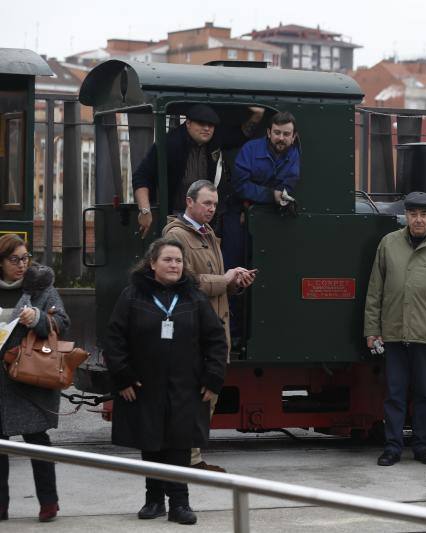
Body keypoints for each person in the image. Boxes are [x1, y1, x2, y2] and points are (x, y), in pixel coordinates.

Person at [104, 238, 228, 525]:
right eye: (168, 260)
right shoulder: (132, 296)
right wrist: (123, 377)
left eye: (179, 261)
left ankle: (180, 504)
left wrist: (213, 378)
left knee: (179, 443)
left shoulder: (194, 299)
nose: (174, 265)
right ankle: (154, 499)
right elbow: (114, 339)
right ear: (152, 263)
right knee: (151, 442)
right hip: (144, 386)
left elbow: (216, 341)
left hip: (186, 386)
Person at [364, 191, 426, 467]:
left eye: (423, 214)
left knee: (425, 394)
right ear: (405, 216)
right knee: (394, 394)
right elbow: (375, 291)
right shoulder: (388, 244)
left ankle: (422, 445)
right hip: (394, 333)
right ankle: (392, 447)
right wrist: (372, 330)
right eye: (413, 214)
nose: (418, 219)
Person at [163, 180, 256, 472]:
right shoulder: (176, 235)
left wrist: (234, 283)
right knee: (195, 397)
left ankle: (192, 457)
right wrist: (225, 280)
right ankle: (186, 460)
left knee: (208, 396)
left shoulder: (208, 233)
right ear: (189, 202)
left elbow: (214, 280)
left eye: (214, 204)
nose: (211, 209)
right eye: (206, 203)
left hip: (214, 331)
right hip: (194, 333)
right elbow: (182, 283)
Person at [0, 234, 69, 522]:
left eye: (25, 257)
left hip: (29, 374)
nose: (22, 265)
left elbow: (62, 323)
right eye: (14, 259)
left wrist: (38, 318)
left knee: (38, 439)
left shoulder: (42, 286)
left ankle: (49, 503)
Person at [133, 104, 264, 237]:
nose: (207, 128)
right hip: (177, 215)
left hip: (208, 215)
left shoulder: (215, 138)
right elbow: (141, 176)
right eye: (201, 123)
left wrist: (257, 116)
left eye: (211, 125)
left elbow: (241, 135)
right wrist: (145, 210)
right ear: (188, 123)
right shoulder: (170, 143)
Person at [226, 111, 300, 268]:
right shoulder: (250, 149)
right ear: (268, 132)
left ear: (293, 137)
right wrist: (269, 195)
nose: (281, 138)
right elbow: (240, 185)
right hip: (238, 210)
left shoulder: (294, 156)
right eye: (277, 132)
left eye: (286, 134)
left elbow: (286, 187)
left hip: (270, 213)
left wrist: (260, 204)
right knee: (233, 261)